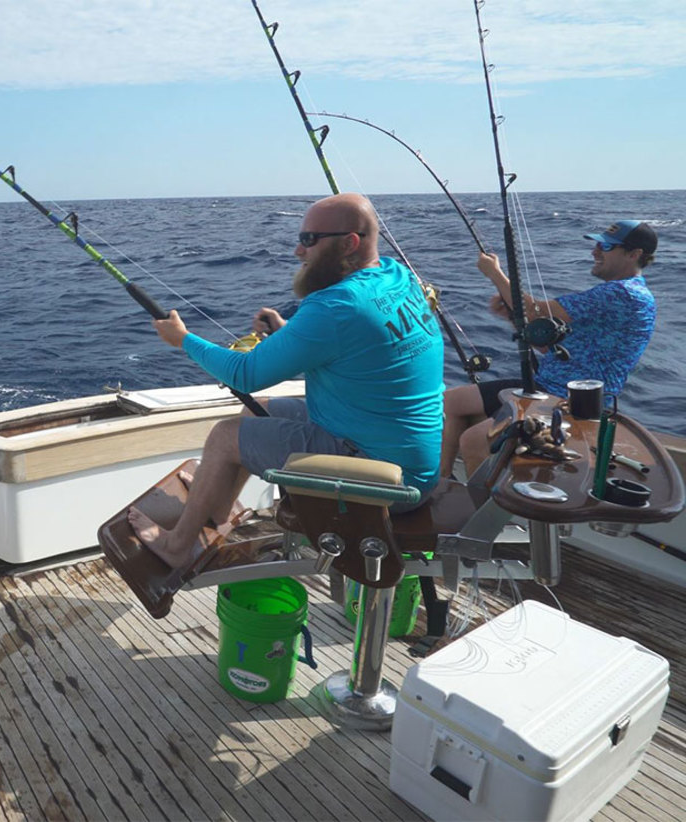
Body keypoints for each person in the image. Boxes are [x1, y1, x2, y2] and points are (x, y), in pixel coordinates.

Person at [128, 193, 445, 570]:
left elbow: (245, 375)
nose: (298, 250)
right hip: (415, 464)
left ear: (350, 243)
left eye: (310, 239)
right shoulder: (397, 275)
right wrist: (289, 332)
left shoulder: (335, 306)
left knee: (227, 435)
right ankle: (216, 511)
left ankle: (178, 546)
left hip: (384, 484)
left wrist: (182, 339)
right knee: (259, 414)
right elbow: (361, 340)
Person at [440, 220, 658, 478]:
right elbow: (552, 349)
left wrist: (494, 274)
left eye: (606, 246)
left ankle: (479, 512)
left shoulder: (625, 294)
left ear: (635, 255)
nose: (595, 251)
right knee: (447, 403)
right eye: (596, 244)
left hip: (571, 402)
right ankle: (442, 486)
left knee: (474, 440)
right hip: (545, 386)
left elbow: (536, 311)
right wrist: (513, 316)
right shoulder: (612, 294)